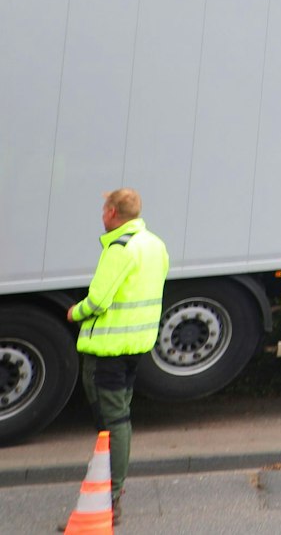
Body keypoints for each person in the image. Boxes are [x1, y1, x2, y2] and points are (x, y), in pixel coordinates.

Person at [66, 188, 170, 523]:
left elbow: (97, 302)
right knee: (117, 416)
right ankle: (111, 489)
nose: (101, 214)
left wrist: (74, 313)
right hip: (135, 346)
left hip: (107, 350)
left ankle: (110, 496)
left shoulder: (119, 249)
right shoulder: (155, 245)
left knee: (112, 421)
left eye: (103, 208)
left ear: (112, 211)